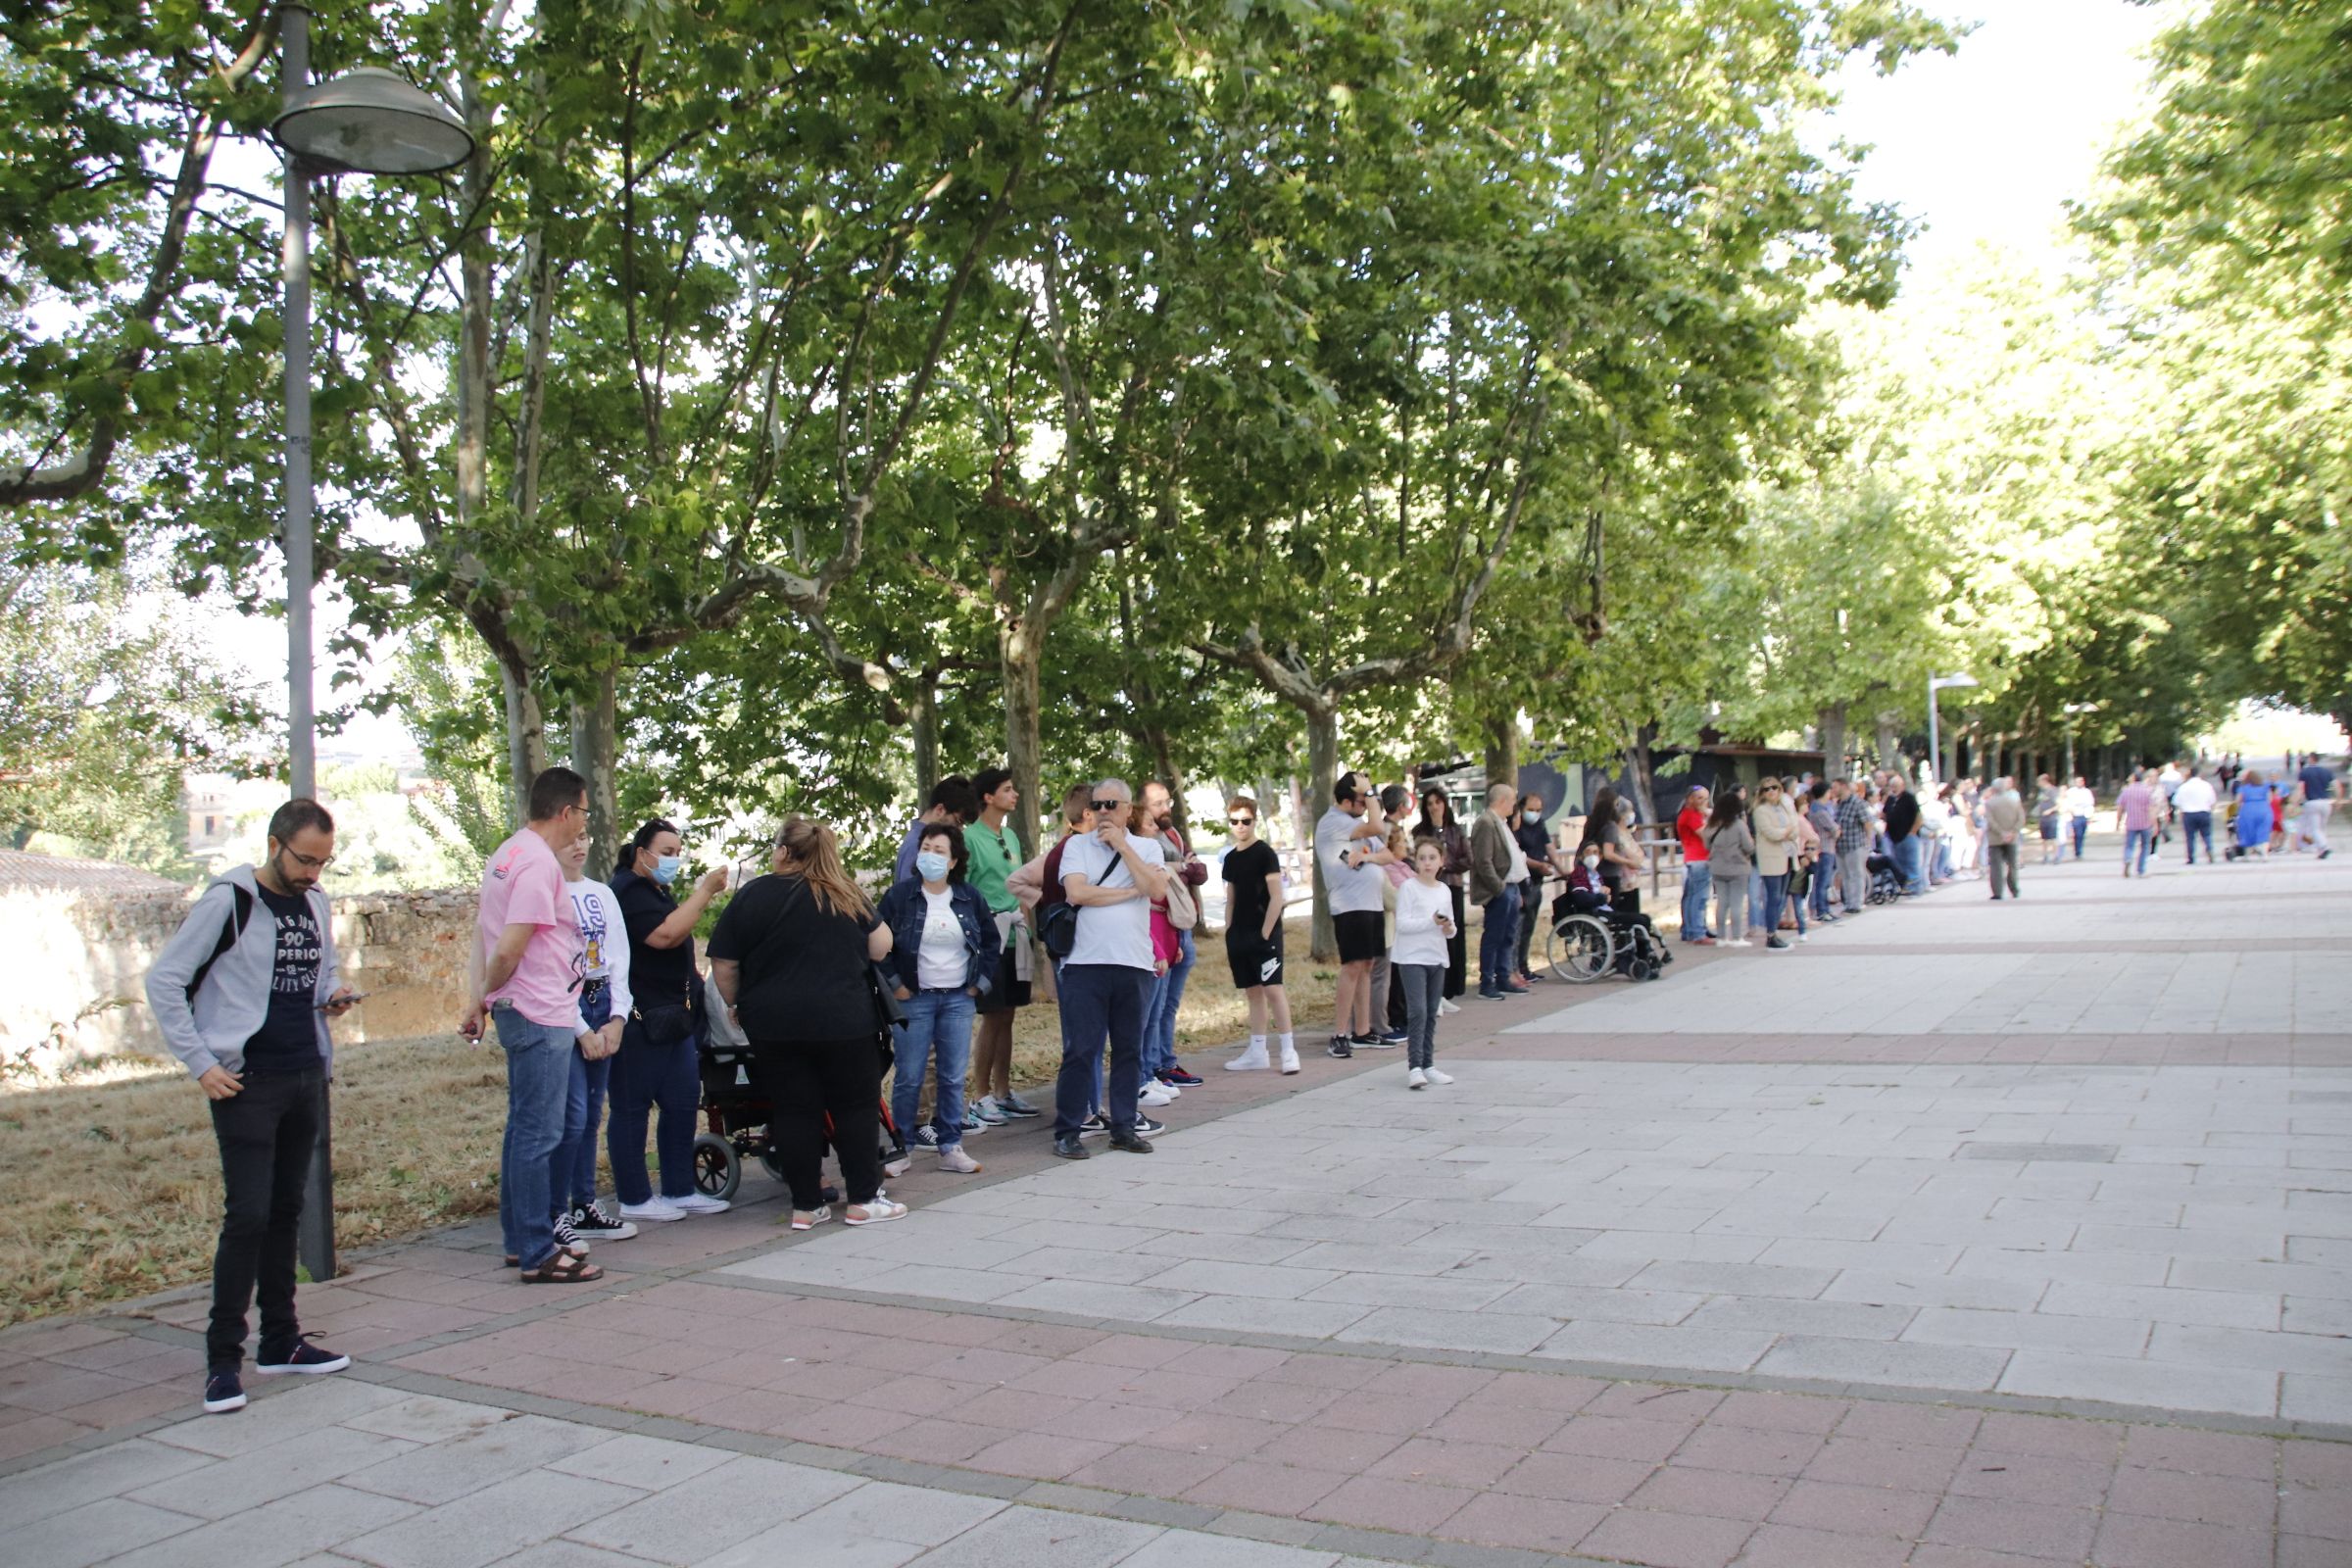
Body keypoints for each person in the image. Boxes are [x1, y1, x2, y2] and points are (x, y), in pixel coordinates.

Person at [147, 798, 357, 1414]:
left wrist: (334, 997)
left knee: (286, 1210)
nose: (313, 874)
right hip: (246, 1082)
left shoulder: (315, 904)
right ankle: (222, 1361)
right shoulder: (230, 902)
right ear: (273, 845)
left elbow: (318, 978)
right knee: (247, 1216)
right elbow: (164, 981)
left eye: (324, 863)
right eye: (304, 860)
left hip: (303, 1073)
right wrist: (203, 1065)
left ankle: (282, 1341)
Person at [709, 817, 904, 1228]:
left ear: (782, 851)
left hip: (774, 1025)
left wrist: (736, 1004)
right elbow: (882, 945)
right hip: (845, 1020)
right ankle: (863, 1199)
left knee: (794, 1111)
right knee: (855, 1107)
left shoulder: (753, 896)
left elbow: (724, 963)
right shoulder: (844, 893)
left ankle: (805, 1205)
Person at [464, 767, 602, 1284]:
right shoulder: (540, 865)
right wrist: (488, 994)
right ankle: (539, 1248)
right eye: (585, 812)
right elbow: (508, 945)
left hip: (530, 1008)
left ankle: (520, 1240)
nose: (586, 822)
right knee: (539, 1134)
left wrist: (480, 999)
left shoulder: (507, 852)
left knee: (525, 1128)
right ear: (566, 813)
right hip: (539, 1010)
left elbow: (483, 933)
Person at [607, 818, 732, 1224]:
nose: (672, 860)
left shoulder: (657, 890)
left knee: (681, 1103)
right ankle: (634, 1197)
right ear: (642, 852)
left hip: (675, 1018)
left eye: (678, 853)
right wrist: (705, 892)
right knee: (633, 1108)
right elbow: (665, 935)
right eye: (666, 851)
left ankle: (679, 1188)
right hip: (639, 1020)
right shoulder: (628, 890)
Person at [1050, 780, 1168, 1159]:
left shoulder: (1147, 846)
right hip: (1085, 964)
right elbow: (1077, 893)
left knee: (1129, 1050)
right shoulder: (1075, 846)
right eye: (1096, 804)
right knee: (1081, 1050)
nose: (1102, 810)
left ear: (1127, 810)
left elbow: (1156, 889)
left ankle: (1123, 1127)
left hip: (1133, 963)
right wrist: (1128, 892)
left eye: (1110, 804)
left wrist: (1123, 847)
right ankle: (1067, 1131)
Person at [878, 823, 1000, 1174]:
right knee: (910, 1076)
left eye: (939, 850)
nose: (930, 855)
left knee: (951, 1075)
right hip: (913, 999)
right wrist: (897, 986)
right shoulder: (899, 897)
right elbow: (877, 944)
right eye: (926, 848)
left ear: (953, 861)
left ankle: (950, 1145)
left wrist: (979, 985)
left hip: (958, 1000)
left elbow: (990, 943)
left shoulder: (968, 897)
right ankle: (903, 1147)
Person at [552, 832, 631, 1250]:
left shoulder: (600, 893)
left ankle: (584, 1204)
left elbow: (619, 955)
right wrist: (581, 1028)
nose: (579, 845)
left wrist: (617, 1017)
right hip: (568, 1003)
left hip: (603, 999)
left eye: (584, 837)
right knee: (572, 1113)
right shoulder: (548, 892)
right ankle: (556, 1211)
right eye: (570, 838)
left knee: (591, 1114)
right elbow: (550, 969)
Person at [963, 766, 1034, 1129]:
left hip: (1015, 936)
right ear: (988, 797)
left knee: (1009, 1014)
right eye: (1007, 789)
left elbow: (1020, 885)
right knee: (991, 1015)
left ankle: (1004, 1092)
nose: (1014, 794)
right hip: (989, 938)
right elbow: (966, 889)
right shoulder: (970, 838)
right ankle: (980, 1095)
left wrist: (1028, 929)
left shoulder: (1011, 836)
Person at [1139, 779, 1211, 1085]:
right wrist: (1183, 867)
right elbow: (1166, 875)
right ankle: (1151, 1067)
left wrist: (1183, 867)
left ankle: (1165, 1060)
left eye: (1167, 801)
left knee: (1169, 1003)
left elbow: (1197, 870)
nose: (1165, 808)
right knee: (1155, 1002)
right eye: (1157, 804)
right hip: (1158, 925)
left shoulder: (1172, 833)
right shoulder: (1141, 841)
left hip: (1180, 924)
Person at [1220, 796, 1297, 1073]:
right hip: (1239, 935)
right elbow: (1231, 898)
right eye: (1235, 821)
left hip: (1264, 935)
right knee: (1252, 991)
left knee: (1273, 988)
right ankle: (1257, 1049)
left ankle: (1288, 1049)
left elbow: (1277, 897)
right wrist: (1229, 930)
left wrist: (1265, 932)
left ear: (1254, 820)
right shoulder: (1230, 858)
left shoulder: (1265, 853)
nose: (1240, 826)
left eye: (1246, 821)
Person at [1316, 773, 1390, 1051]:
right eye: (1362, 800)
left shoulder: (1355, 824)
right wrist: (1371, 793)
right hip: (1350, 906)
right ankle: (1339, 1034)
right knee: (1352, 966)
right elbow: (1378, 825)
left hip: (1371, 903)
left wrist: (1368, 856)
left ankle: (1363, 1030)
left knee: (1367, 965)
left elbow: (1387, 854)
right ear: (1348, 801)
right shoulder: (1334, 822)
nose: (1368, 804)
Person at [1393, 838, 1457, 1090]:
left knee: (1431, 1011)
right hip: (1411, 958)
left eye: (1432, 858)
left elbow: (1450, 930)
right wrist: (1431, 922)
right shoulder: (1409, 888)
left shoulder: (1444, 890)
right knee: (1417, 1010)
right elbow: (1403, 925)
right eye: (1422, 858)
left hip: (1436, 956)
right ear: (1415, 861)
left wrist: (1447, 926)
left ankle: (1428, 1064)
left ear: (1442, 861)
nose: (1427, 863)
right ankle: (1415, 1067)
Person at [1411, 786, 1472, 1007]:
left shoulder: (1456, 830)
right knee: (1432, 935)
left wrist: (1446, 866)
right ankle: (1436, 990)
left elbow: (1467, 859)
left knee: (1453, 935)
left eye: (1438, 802)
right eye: (1429, 803)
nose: (1434, 807)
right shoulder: (1420, 832)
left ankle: (1451, 986)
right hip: (1429, 889)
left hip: (1452, 886)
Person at [1468, 781, 1526, 1000]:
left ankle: (1504, 976)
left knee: (1508, 934)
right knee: (1494, 934)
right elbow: (1484, 861)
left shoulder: (1501, 823)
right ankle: (1487, 980)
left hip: (1510, 885)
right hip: (1499, 889)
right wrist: (1499, 888)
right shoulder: (1486, 823)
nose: (1514, 806)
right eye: (1511, 800)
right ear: (1501, 800)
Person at [893, 776, 979, 883]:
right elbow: (910, 896)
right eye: (959, 821)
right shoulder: (916, 845)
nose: (960, 829)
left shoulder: (919, 841)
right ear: (940, 810)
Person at [1511, 792, 1556, 985]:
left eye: (1539, 810)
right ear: (1521, 809)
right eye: (1531, 810)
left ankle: (1523, 966)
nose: (1535, 814)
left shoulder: (1540, 825)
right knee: (1518, 927)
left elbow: (1549, 848)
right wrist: (1538, 865)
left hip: (1537, 881)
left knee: (1529, 926)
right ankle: (1513, 969)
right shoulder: (1516, 827)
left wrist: (1561, 868)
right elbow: (1518, 855)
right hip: (1523, 881)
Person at [1750, 778, 1799, 951]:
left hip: (1787, 855)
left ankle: (1775, 932)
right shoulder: (1760, 811)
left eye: (1775, 788)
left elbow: (1795, 827)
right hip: (1771, 858)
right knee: (1774, 897)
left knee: (1781, 897)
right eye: (1767, 789)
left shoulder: (1784, 807)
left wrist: (1787, 833)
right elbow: (1771, 833)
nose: (1771, 791)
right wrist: (1786, 832)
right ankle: (1770, 934)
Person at [1703, 787, 1756, 947]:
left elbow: (1706, 845)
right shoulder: (1739, 825)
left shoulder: (1711, 824)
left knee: (1722, 902)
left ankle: (1721, 937)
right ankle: (1736, 937)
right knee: (1736, 903)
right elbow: (1749, 847)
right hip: (1737, 868)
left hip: (1717, 868)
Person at [1675, 786, 1714, 945]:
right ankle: (1697, 931)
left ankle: (1691, 929)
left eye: (1706, 798)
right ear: (1690, 798)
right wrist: (1710, 818)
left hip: (1694, 858)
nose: (1704, 802)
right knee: (1699, 897)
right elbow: (1706, 834)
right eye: (1700, 798)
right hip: (1698, 858)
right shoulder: (1691, 815)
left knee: (1691, 896)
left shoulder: (1693, 814)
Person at [1835, 780, 1874, 915]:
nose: (1833, 790)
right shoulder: (1839, 804)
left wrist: (1867, 843)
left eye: (1835, 787)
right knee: (1845, 875)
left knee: (1856, 874)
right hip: (1841, 846)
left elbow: (1868, 824)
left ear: (1843, 786)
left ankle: (1857, 902)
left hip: (1855, 844)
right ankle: (1849, 902)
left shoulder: (1857, 803)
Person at [1983, 776, 2025, 900]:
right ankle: (2014, 888)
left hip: (1995, 839)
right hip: (2012, 838)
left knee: (1996, 866)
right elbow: (2021, 818)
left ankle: (1997, 891)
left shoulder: (1989, 803)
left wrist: (2002, 833)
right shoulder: (2014, 801)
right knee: (2012, 865)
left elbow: (1990, 820)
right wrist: (2013, 832)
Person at [1806, 781, 1840, 924]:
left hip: (1823, 848)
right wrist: (1837, 830)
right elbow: (1835, 830)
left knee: (1821, 881)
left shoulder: (1814, 808)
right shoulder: (1821, 811)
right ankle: (1822, 910)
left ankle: (1823, 909)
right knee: (1823, 881)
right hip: (1825, 848)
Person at [1884, 774, 1924, 895]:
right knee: (1900, 864)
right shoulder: (1890, 799)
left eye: (1896, 786)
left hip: (1908, 836)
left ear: (1902, 786)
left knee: (1912, 863)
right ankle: (1905, 887)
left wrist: (1912, 832)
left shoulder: (1909, 798)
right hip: (1894, 837)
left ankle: (1915, 888)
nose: (1894, 788)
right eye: (1892, 786)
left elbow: (1918, 816)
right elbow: (1885, 814)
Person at [2115, 768, 2158, 877]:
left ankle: (2128, 858)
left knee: (2129, 846)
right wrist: (2154, 824)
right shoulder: (2147, 791)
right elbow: (2151, 809)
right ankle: (2141, 870)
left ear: (2133, 778)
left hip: (2131, 823)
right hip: (2145, 823)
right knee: (2144, 847)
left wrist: (2118, 822)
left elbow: (2120, 807)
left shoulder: (2126, 791)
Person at [2173, 766, 2218, 865]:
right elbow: (2212, 801)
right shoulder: (2206, 785)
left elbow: (2176, 802)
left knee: (2190, 837)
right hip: (2204, 812)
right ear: (2199, 774)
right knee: (2207, 835)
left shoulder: (2183, 787)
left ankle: (2191, 858)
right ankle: (2209, 850)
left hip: (2188, 814)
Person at [2296, 753, 2337, 858]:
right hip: (2325, 801)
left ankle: (2325, 847)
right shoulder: (2327, 772)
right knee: (2322, 828)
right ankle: (2321, 852)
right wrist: (2338, 800)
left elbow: (2301, 788)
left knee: (2315, 829)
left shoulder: (2304, 772)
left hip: (2312, 802)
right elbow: (2337, 786)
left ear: (2311, 759)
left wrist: (2297, 801)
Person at [2230, 768, 2274, 861]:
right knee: (2264, 832)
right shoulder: (2265, 786)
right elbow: (2270, 799)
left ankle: (2247, 856)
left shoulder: (2243, 788)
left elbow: (2238, 801)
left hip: (2248, 810)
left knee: (2247, 832)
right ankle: (2264, 854)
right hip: (2263, 809)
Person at [2064, 775, 2096, 859]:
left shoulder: (2087, 792)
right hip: (2075, 815)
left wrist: (2090, 816)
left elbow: (2090, 803)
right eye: (2078, 781)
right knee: (2077, 834)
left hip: (2084, 815)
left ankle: (2080, 849)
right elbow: (2067, 803)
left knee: (2082, 834)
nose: (2079, 783)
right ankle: (2077, 852)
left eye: (2081, 781)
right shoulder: (2071, 792)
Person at [2034, 774, 2062, 865]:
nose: (2038, 784)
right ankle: (2045, 856)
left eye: (2039, 782)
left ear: (2044, 781)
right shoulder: (2041, 792)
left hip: (2051, 818)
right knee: (2044, 839)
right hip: (2042, 819)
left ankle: (2056, 857)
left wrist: (2049, 811)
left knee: (2053, 838)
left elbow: (2058, 804)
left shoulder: (2053, 790)